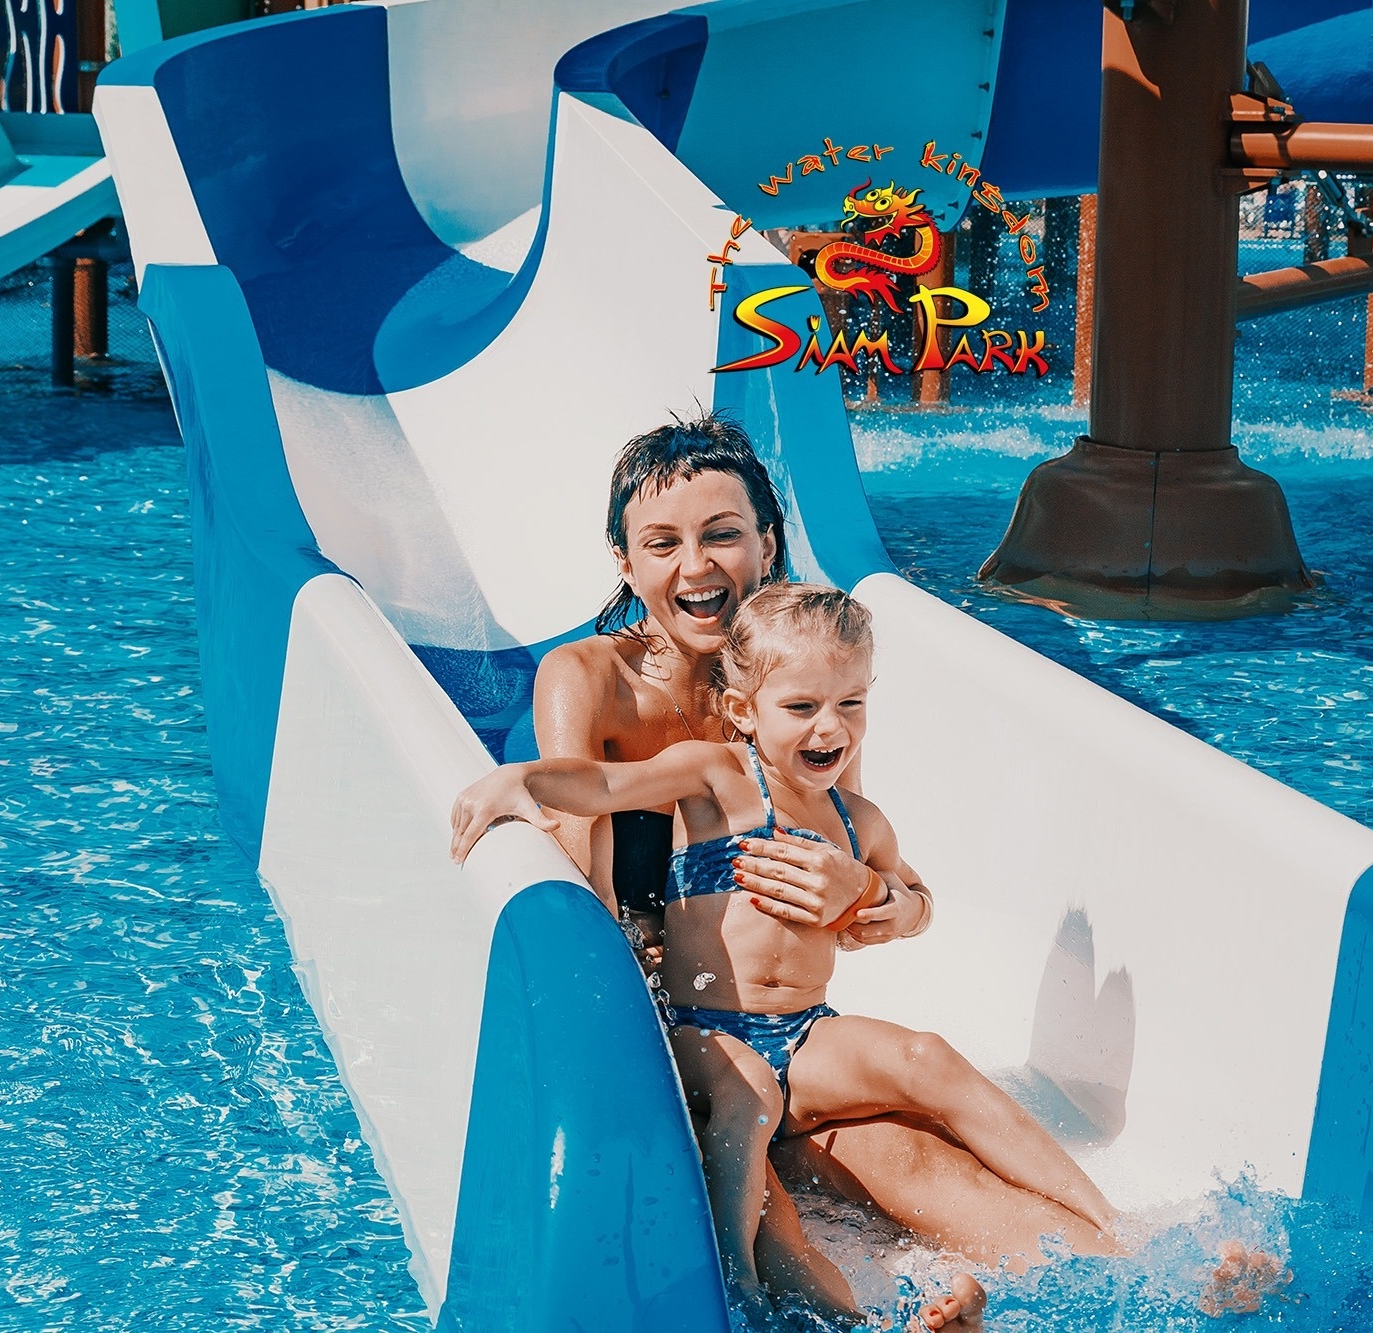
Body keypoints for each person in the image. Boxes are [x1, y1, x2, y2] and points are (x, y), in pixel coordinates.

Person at [448, 414, 1117, 1304]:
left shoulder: (805, 687)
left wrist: (877, 897)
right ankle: (839, 1319)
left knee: (919, 1157)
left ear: (768, 541)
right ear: (626, 560)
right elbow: (581, 859)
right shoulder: (592, 680)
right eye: (664, 543)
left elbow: (867, 871)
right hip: (666, 1038)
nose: (697, 566)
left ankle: (1140, 1269)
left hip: (792, 1034)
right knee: (763, 1189)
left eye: (723, 534)